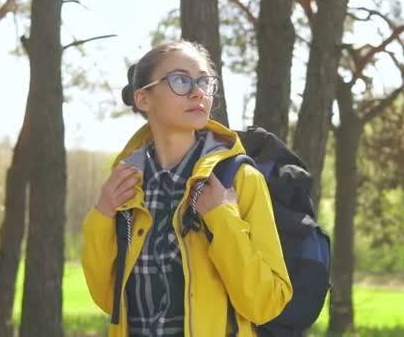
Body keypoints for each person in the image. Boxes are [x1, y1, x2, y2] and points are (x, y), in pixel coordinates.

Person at [81, 40, 293, 337]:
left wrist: (222, 218)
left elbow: (266, 304)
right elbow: (108, 299)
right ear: (143, 99)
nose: (198, 92)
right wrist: (102, 215)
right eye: (181, 80)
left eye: (205, 82)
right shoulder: (126, 184)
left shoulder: (239, 179)